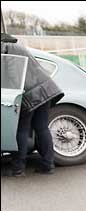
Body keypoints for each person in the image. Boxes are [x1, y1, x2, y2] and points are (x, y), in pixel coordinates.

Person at [1, 33, 63, 176]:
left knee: (21, 129)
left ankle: (18, 168)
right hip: (45, 88)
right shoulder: (19, 47)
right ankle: (48, 164)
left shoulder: (5, 49)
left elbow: (13, 76)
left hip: (28, 92)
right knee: (41, 128)